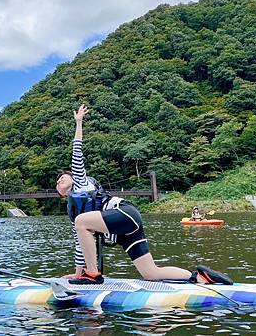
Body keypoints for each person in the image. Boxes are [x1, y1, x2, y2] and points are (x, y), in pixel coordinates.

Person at [56, 104, 233, 286]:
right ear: (62, 195)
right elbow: (80, 246)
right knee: (150, 273)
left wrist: (79, 122)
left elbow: (77, 150)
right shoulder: (75, 214)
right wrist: (77, 274)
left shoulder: (81, 182)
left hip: (125, 213)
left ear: (73, 177)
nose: (58, 181)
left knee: (81, 222)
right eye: (56, 183)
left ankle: (92, 274)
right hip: (125, 230)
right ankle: (199, 277)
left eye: (62, 177)